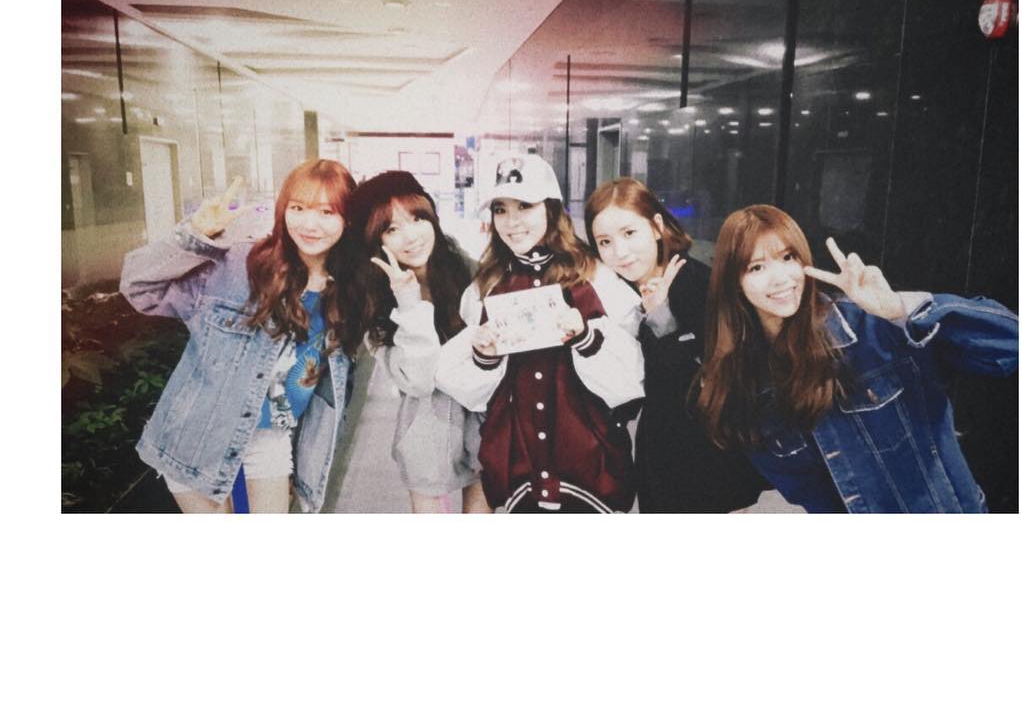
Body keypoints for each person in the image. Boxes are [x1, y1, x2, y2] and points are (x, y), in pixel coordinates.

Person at [694, 204, 1019, 513]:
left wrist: (900, 309)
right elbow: (809, 492)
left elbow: (1011, 343)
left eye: (787, 257)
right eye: (757, 267)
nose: (779, 278)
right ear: (735, 283)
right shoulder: (746, 380)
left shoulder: (871, 325)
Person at [120, 160, 360, 513]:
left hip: (271, 439)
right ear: (283, 210)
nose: (310, 224)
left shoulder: (349, 293)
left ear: (348, 219)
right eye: (298, 208)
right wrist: (194, 235)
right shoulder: (239, 265)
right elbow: (138, 287)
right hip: (199, 436)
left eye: (327, 212)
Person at [435, 154, 645, 512]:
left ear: (551, 208)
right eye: (500, 209)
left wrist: (586, 339)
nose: (511, 221)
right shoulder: (486, 286)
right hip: (520, 466)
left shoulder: (595, 276)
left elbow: (631, 380)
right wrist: (483, 355)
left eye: (525, 206)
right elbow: (471, 393)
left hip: (592, 466)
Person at [585, 178, 766, 512]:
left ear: (656, 226)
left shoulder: (698, 284)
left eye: (629, 233)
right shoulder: (619, 292)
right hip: (660, 454)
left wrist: (661, 319)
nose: (620, 252)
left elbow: (711, 382)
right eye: (605, 242)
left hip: (709, 462)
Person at [347, 171, 490, 513]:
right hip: (428, 429)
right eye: (391, 229)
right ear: (374, 240)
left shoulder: (471, 272)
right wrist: (408, 302)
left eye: (417, 219)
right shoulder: (374, 304)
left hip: (485, 421)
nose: (411, 236)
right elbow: (420, 381)